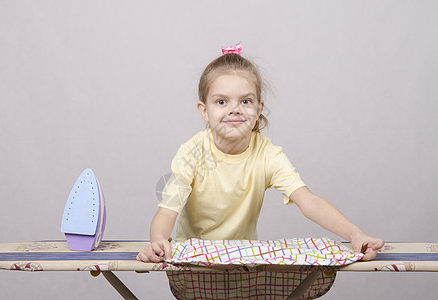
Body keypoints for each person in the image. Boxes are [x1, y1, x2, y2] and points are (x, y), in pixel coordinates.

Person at [137, 43, 384, 263]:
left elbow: (309, 202)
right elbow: (168, 210)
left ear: (258, 108)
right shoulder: (191, 152)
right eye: (222, 102)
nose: (234, 109)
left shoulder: (268, 155)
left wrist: (355, 235)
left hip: (243, 261)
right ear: (204, 110)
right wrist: (159, 240)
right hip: (193, 262)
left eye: (245, 101)